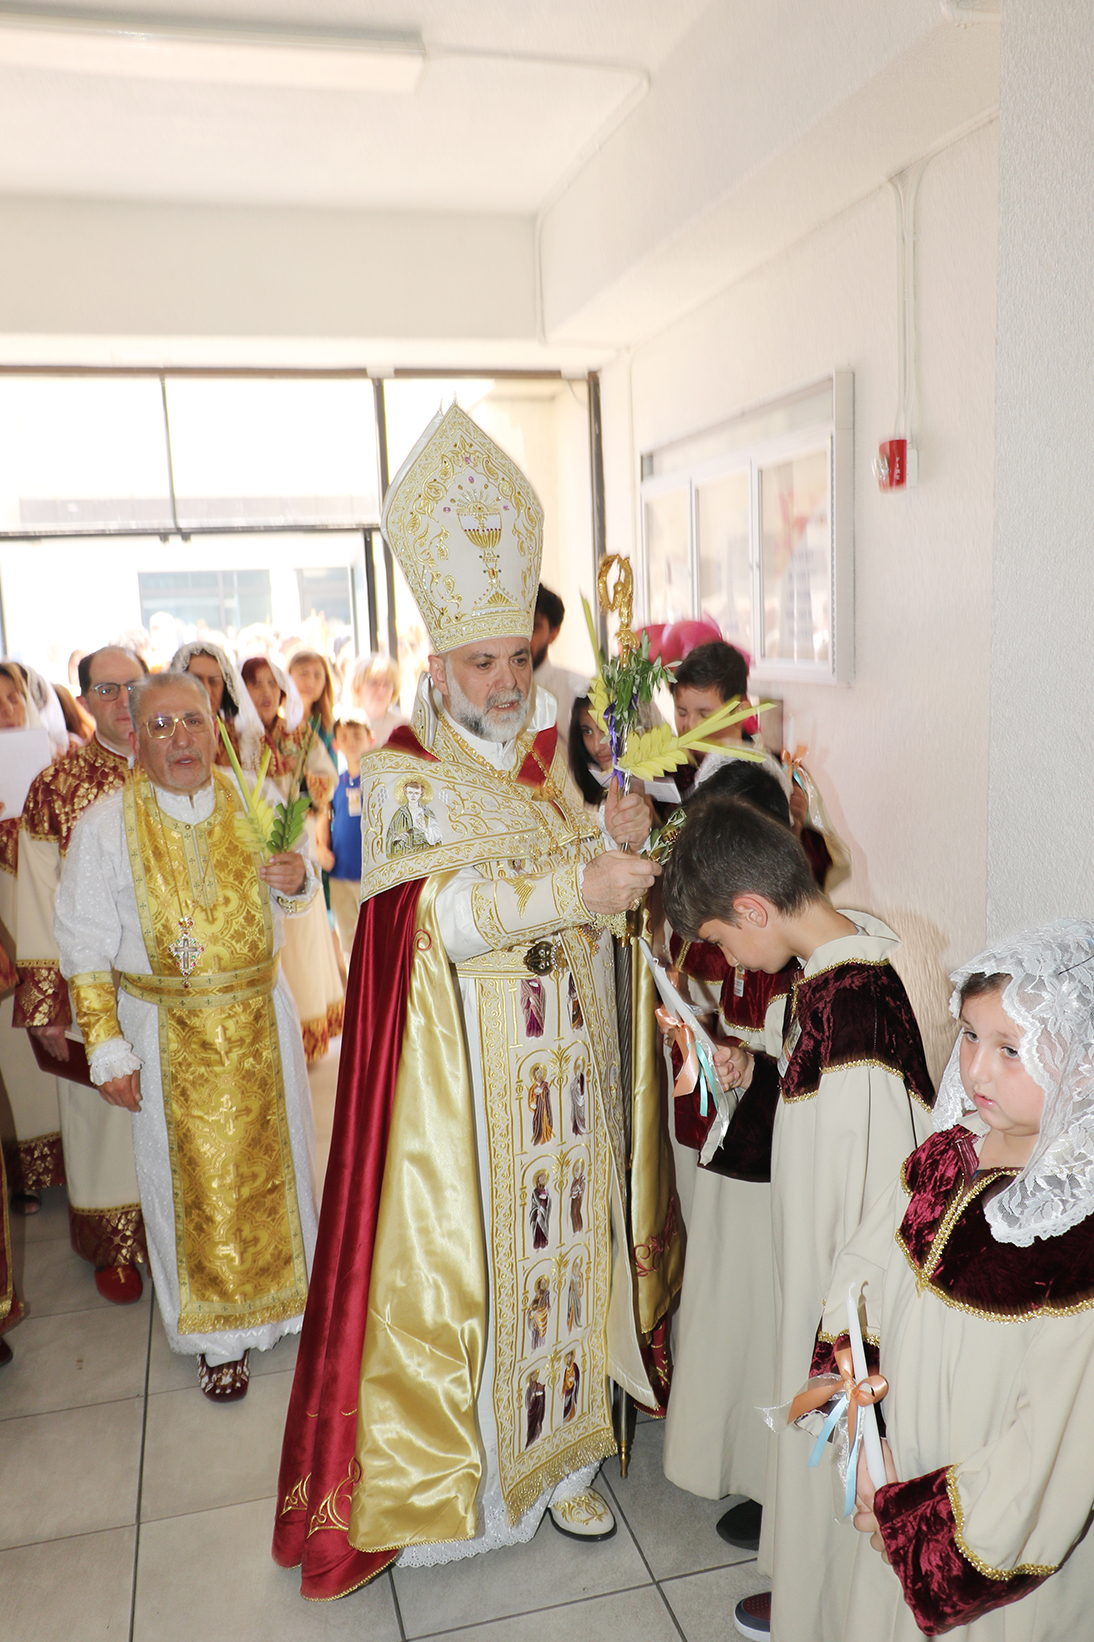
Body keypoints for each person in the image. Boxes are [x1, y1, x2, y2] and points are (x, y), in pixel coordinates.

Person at [274, 402, 671, 1600]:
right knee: (490, 1273)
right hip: (466, 1084)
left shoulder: (549, 765)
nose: (504, 682)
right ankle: (480, 1485)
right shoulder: (400, 772)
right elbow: (431, 921)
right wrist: (572, 883)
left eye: (516, 660)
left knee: (568, 1255)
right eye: (480, 663)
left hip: (566, 1061)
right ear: (439, 663)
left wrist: (612, 839)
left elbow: (585, 894)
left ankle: (566, 1462)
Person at [661, 796, 935, 1642]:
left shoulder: (855, 1012)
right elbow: (813, 1119)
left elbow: (883, 1183)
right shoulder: (830, 980)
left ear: (752, 909)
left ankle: (826, 1613)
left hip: (844, 1292)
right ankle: (809, 1594)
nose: (728, 960)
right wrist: (757, 1074)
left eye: (721, 939)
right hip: (820, 1264)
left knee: (843, 1451)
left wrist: (844, 1323)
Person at [810, 921, 1094, 1641]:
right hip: (891, 1464)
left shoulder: (1079, 1236)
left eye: (1011, 1049)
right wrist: (861, 1420)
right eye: (969, 1036)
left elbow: (1053, 1451)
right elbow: (863, 1273)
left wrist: (918, 1530)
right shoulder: (947, 1155)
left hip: (981, 1538)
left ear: (1083, 1065)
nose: (976, 1071)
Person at [52, 671, 319, 1400]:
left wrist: (297, 880)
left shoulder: (254, 798)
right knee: (186, 1192)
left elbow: (298, 898)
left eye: (193, 721)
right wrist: (106, 1046)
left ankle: (295, 1307)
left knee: (285, 1168)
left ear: (215, 726)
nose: (180, 739)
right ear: (135, 738)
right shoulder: (105, 826)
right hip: (166, 1031)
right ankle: (214, 1340)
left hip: (262, 1019)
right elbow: (83, 944)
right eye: (161, 726)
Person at [12, 649, 150, 1302]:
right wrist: (46, 1005)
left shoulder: (180, 770)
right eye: (108, 689)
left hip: (172, 982)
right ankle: (112, 1243)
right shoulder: (55, 787)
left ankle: (178, 1235)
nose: (123, 700)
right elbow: (37, 898)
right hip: (94, 980)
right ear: (85, 699)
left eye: (134, 686)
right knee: (102, 1117)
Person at [241, 654, 343, 1062]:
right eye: (255, 684)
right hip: (251, 851)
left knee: (302, 943)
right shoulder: (234, 735)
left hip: (295, 843)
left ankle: (305, 1036)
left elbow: (326, 776)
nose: (266, 692)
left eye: (272, 683)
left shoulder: (298, 733)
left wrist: (301, 793)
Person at [314, 710, 372, 967]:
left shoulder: (377, 780)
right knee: (349, 944)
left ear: (370, 738)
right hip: (340, 875)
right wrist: (321, 847)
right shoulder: (335, 783)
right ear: (336, 743)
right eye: (344, 737)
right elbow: (323, 816)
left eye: (357, 735)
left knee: (374, 940)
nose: (351, 742)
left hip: (371, 877)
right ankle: (353, 987)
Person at [170, 640, 263, 773]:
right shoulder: (167, 738)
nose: (207, 691)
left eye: (213, 682)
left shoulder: (241, 739)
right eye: (196, 681)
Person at [532, 584, 585, 735]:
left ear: (553, 633)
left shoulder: (577, 692)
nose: (525, 637)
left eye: (535, 627)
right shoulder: (486, 689)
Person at [344, 652, 405, 749]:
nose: (381, 690)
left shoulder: (403, 726)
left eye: (387, 684)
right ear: (357, 687)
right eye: (373, 683)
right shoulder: (344, 725)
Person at [288, 648, 336, 761]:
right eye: (304, 674)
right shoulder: (279, 723)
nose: (310, 682)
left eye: (317, 676)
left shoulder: (327, 727)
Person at [567, 693, 613, 809]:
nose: (597, 746)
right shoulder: (577, 795)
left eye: (604, 729)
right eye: (587, 732)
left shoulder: (653, 792)